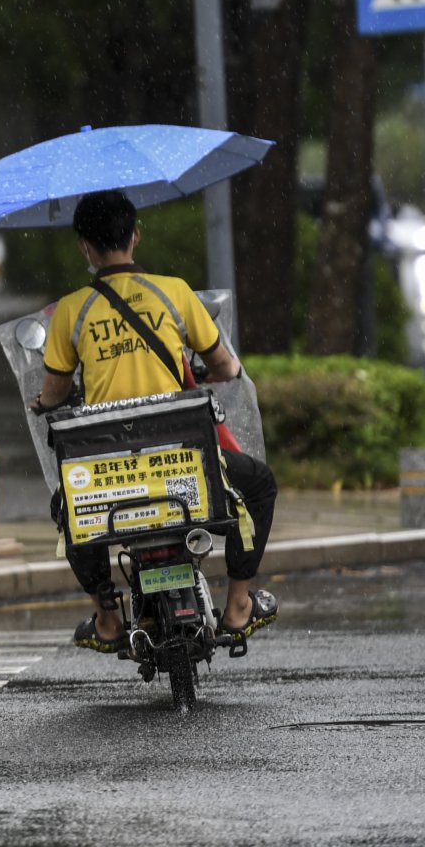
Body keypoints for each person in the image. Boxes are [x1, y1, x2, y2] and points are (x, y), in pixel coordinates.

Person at [32, 190, 279, 653]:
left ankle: (107, 619)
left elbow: (55, 391)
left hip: (111, 478)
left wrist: (40, 402)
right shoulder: (176, 291)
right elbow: (225, 368)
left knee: (68, 508)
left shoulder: (71, 310)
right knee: (259, 486)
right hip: (185, 468)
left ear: (83, 245)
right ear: (136, 236)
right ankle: (240, 605)